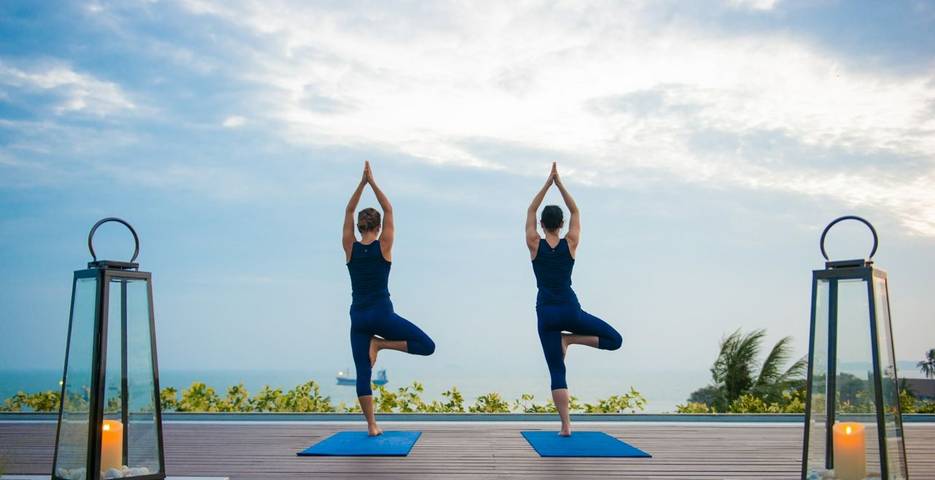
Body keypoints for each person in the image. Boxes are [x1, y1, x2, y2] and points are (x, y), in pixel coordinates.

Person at [526, 162, 623, 436]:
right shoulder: (571, 243)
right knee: (615, 340)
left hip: (545, 314)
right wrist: (560, 184)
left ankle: (566, 426)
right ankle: (570, 339)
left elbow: (531, 210)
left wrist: (547, 184)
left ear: (543, 225)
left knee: (557, 371)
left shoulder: (534, 244)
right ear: (562, 224)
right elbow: (576, 210)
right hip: (570, 311)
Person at [343, 161, 436, 436]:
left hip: (359, 317)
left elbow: (348, 210)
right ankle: (381, 345)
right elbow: (389, 208)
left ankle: (372, 426)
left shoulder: (350, 247)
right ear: (380, 227)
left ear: (359, 227)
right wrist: (372, 182)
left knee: (363, 372)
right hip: (382, 315)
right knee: (427, 345)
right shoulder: (384, 246)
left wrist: (361, 184)